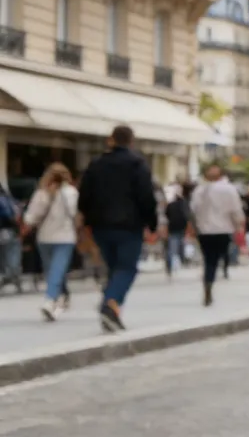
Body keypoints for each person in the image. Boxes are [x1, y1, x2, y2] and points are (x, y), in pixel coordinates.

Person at [78, 125, 158, 333]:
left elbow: (84, 194)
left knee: (115, 268)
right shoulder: (137, 164)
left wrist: (87, 220)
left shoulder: (96, 164)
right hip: (129, 225)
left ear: (111, 140)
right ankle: (110, 304)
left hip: (100, 225)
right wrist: (152, 224)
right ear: (131, 141)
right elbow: (146, 197)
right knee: (127, 268)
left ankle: (112, 309)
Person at [22, 163, 78, 322]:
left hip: (44, 237)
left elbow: (30, 217)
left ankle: (57, 297)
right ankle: (52, 299)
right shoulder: (71, 193)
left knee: (51, 270)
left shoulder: (41, 193)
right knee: (58, 269)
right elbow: (75, 213)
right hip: (66, 237)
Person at [190, 163, 245, 307]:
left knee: (209, 259)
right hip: (223, 229)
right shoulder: (229, 189)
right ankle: (210, 281)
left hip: (205, 230)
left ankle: (208, 282)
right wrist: (239, 225)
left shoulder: (199, 190)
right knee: (217, 257)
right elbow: (236, 210)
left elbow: (193, 210)